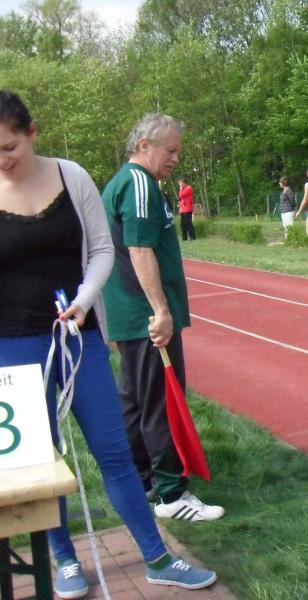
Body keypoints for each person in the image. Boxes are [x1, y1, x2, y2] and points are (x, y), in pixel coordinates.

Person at [0, 91, 216, 599]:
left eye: (9, 147)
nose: (2, 160)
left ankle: (158, 558)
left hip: (79, 338)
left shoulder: (70, 177)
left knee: (114, 451)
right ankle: (64, 560)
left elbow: (101, 250)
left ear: (31, 133)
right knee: (40, 463)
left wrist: (83, 300)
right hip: (12, 348)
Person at [102, 113, 225, 522]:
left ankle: (139, 481)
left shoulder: (127, 183)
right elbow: (139, 250)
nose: (175, 159)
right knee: (162, 402)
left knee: (136, 402)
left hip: (131, 316)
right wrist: (161, 311)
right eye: (170, 150)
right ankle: (171, 494)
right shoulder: (138, 184)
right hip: (145, 318)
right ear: (145, 146)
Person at [177, 176, 196, 241]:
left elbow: (181, 195)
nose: (179, 184)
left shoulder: (188, 188)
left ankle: (192, 237)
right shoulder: (183, 189)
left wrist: (180, 189)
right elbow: (180, 199)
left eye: (180, 183)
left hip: (188, 208)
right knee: (182, 224)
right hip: (183, 209)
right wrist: (180, 207)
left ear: (184, 183)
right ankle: (184, 238)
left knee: (188, 223)